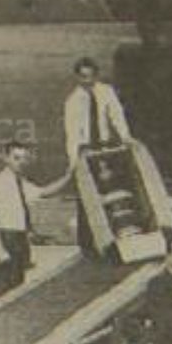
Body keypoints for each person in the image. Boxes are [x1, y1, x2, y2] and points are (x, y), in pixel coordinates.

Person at [0, 141, 71, 299]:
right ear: (6, 158)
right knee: (4, 291)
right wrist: (0, 249)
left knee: (18, 289)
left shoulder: (21, 183)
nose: (21, 163)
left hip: (20, 239)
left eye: (24, 159)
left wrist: (69, 176)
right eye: (16, 158)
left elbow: (44, 192)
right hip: (6, 238)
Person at [63, 56, 132, 253]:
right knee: (87, 195)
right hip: (85, 149)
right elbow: (71, 132)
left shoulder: (106, 92)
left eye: (91, 76)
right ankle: (88, 245)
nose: (88, 81)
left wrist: (126, 137)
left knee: (111, 189)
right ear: (78, 77)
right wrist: (73, 162)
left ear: (96, 75)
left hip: (105, 146)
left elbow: (116, 115)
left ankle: (117, 236)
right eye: (83, 77)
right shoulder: (72, 101)